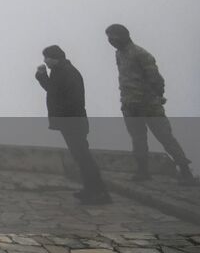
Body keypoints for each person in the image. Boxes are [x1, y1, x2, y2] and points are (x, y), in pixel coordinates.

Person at [106, 24, 196, 186]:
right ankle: (142, 171)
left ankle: (184, 169)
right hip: (130, 105)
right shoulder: (119, 54)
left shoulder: (141, 54)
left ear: (125, 35)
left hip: (149, 105)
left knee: (165, 137)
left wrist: (157, 96)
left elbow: (155, 78)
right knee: (138, 140)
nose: (111, 41)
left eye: (114, 37)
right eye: (109, 38)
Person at [35, 45, 110, 204]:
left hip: (73, 122)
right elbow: (53, 90)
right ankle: (91, 190)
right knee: (80, 157)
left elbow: (72, 99)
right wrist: (42, 76)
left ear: (54, 57)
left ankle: (99, 192)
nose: (45, 60)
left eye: (46, 57)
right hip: (71, 121)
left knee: (83, 157)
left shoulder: (67, 72)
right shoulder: (60, 71)